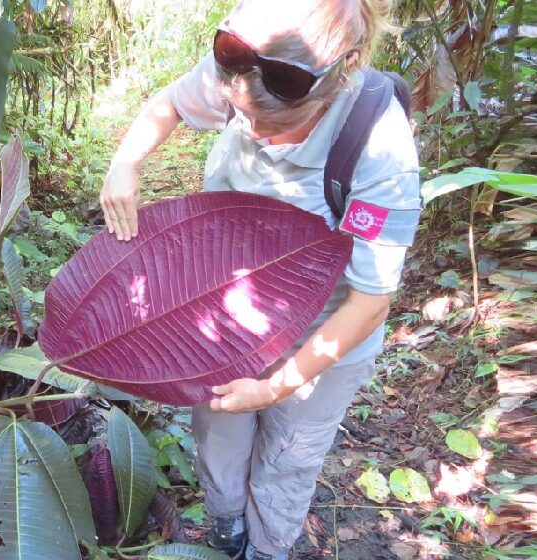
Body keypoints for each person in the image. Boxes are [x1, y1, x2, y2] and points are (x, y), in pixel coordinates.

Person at [98, 0, 421, 558]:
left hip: (323, 325)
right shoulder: (243, 67)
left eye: (274, 124)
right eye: (242, 115)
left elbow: (369, 302)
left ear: (336, 80)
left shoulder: (378, 146)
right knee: (218, 429)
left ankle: (268, 546)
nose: (254, 130)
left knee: (289, 452)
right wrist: (124, 163)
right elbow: (168, 105)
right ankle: (226, 525)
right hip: (227, 311)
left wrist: (275, 388)